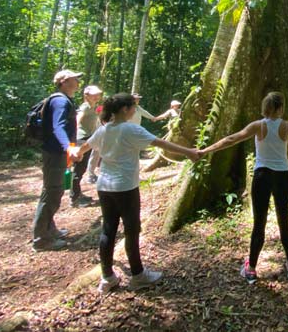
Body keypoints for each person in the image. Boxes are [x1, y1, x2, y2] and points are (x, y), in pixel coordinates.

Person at [200, 91, 288, 284]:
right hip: (282, 177)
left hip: (262, 176)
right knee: (284, 220)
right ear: (280, 107)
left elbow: (231, 139)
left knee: (259, 223)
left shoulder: (258, 126)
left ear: (265, 107)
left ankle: (252, 269)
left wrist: (205, 150)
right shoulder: (287, 127)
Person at [74, 93, 201, 293]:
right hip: (125, 187)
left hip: (104, 186)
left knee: (108, 230)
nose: (135, 109)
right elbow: (161, 143)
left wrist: (78, 153)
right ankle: (138, 275)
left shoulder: (104, 129)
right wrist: (190, 152)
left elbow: (86, 145)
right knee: (132, 230)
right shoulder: (131, 129)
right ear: (125, 109)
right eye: (133, 106)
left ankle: (107, 277)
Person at [31, 69, 82, 252]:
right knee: (52, 193)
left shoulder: (63, 99)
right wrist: (68, 147)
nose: (78, 81)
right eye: (75, 79)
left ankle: (49, 229)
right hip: (55, 153)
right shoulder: (60, 101)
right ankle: (41, 239)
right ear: (64, 81)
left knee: (55, 190)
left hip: (56, 153)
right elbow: (57, 127)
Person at [70, 85, 102, 208]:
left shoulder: (93, 107)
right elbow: (77, 121)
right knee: (78, 169)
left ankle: (78, 194)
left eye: (98, 94)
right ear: (86, 95)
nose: (97, 97)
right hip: (81, 140)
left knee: (81, 169)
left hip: (88, 139)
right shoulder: (85, 107)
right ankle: (74, 198)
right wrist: (73, 139)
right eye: (94, 95)